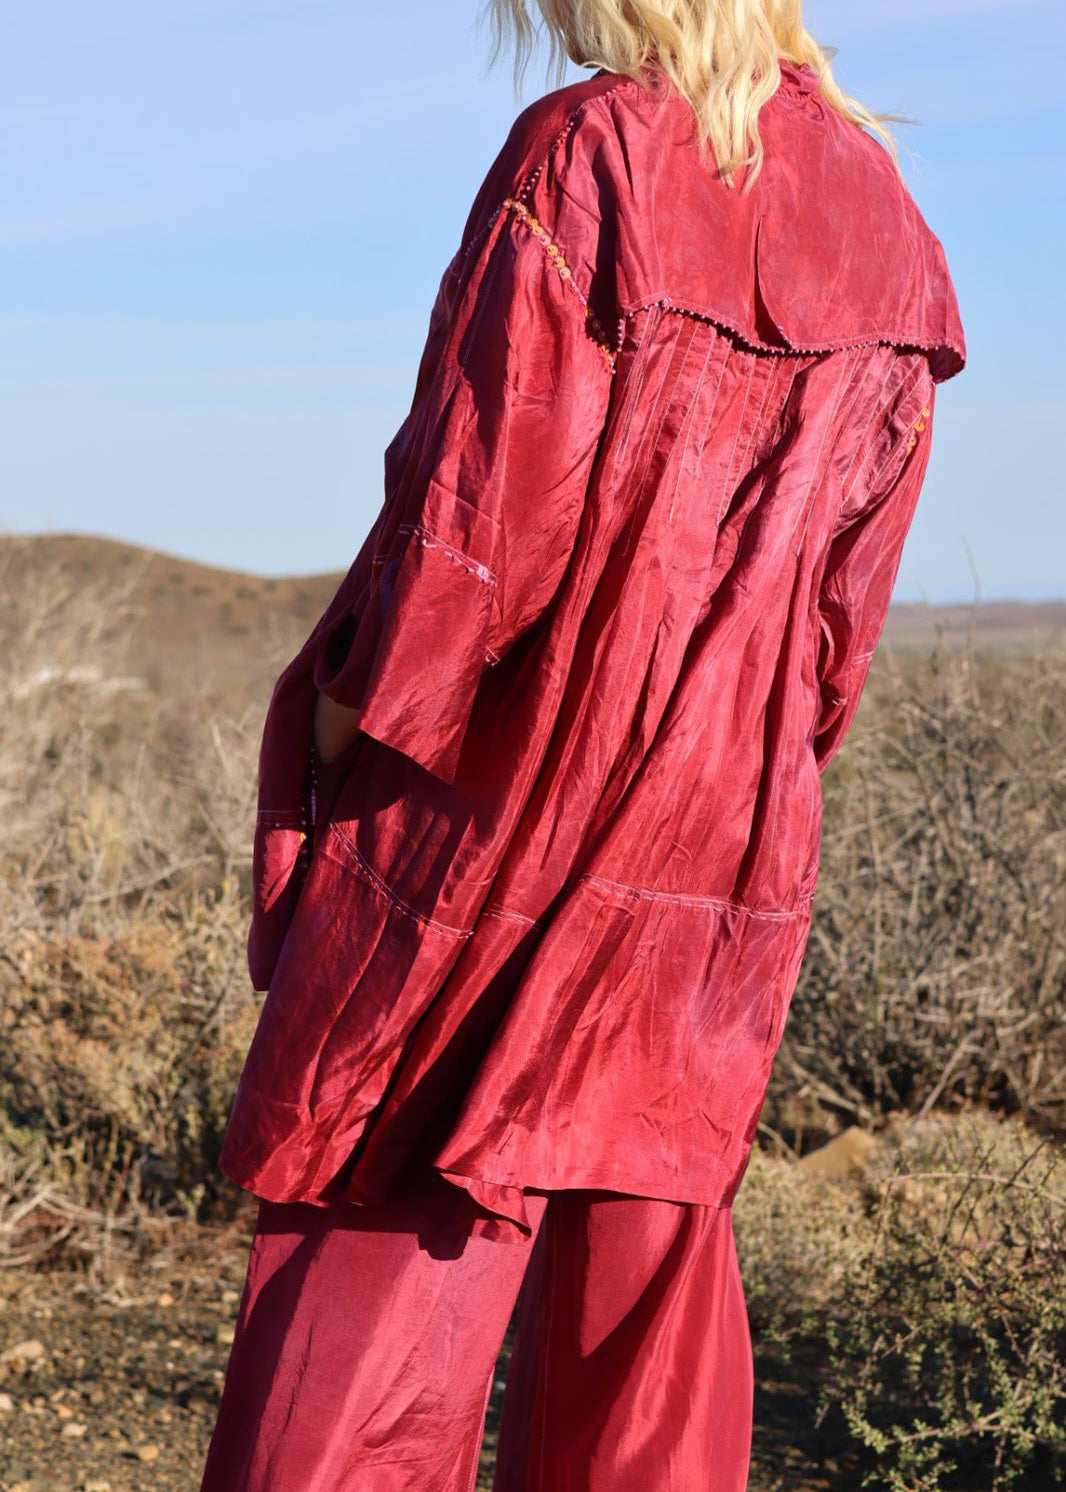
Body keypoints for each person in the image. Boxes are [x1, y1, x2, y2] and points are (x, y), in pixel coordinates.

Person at [200, 2, 965, 1488]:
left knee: (386, 1204)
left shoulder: (586, 155)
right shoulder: (891, 217)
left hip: (505, 792)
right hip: (725, 816)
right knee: (649, 1242)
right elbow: (837, 627)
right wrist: (744, 773)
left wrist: (349, 714)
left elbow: (476, 519)